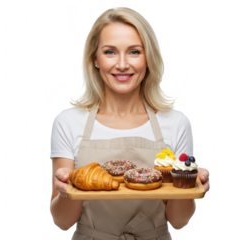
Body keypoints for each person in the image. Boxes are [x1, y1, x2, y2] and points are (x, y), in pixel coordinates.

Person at [49, 6, 210, 239]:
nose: (122, 64)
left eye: (134, 52)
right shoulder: (68, 121)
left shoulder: (177, 122)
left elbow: (178, 221)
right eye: (110, 52)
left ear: (148, 58)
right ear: (95, 58)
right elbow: (62, 221)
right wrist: (66, 191)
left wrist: (189, 189)